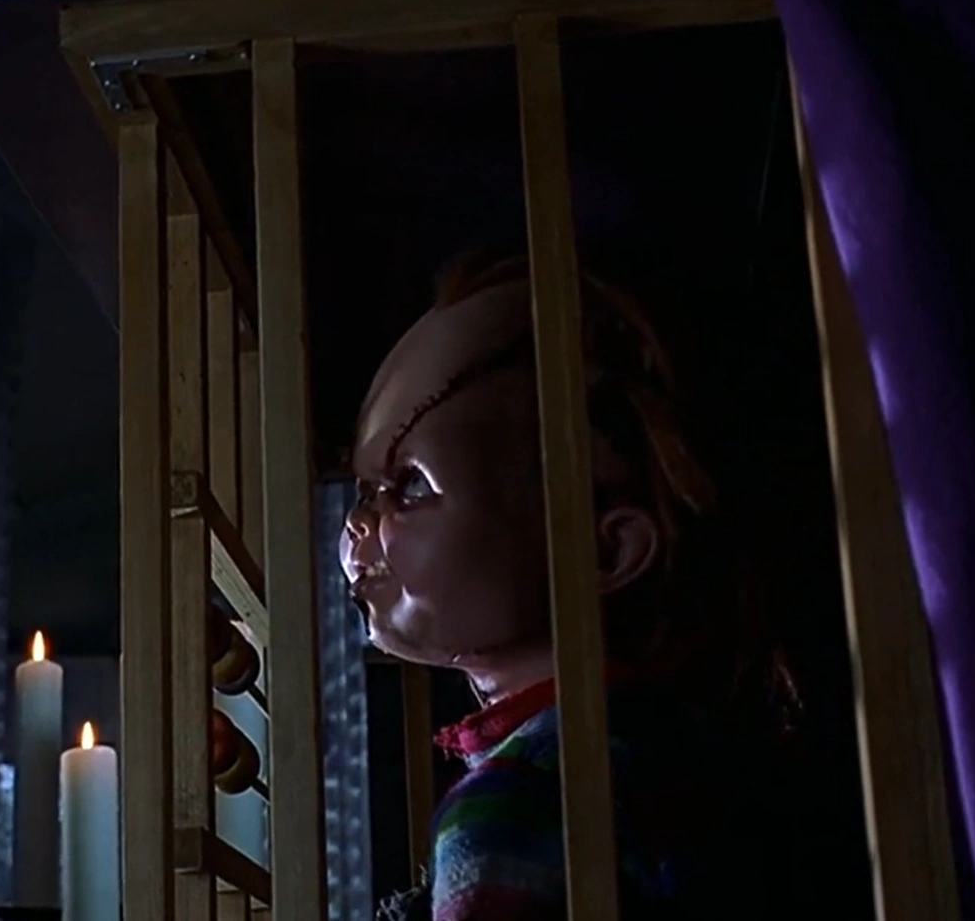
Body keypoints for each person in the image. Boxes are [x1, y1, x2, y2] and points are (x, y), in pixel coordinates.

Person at [345, 251, 870, 921]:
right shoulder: (683, 747)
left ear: (605, 548)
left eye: (410, 487)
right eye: (365, 489)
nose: (358, 523)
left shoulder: (519, 803)